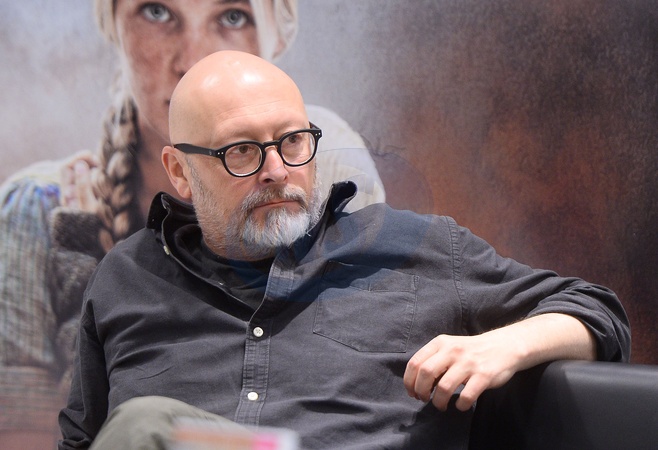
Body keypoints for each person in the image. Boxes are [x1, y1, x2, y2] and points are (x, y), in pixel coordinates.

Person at [58, 50, 630, 450]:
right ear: (180, 172)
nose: (277, 170)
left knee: (148, 426)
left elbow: (598, 312)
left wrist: (502, 345)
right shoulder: (126, 277)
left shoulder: (408, 247)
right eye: (241, 151)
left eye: (292, 141)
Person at [0, 0, 384, 448]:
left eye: (233, 16)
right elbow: (21, 432)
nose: (193, 59)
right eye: (157, 12)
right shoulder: (42, 209)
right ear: (110, 27)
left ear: (279, 34)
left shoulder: (328, 166)